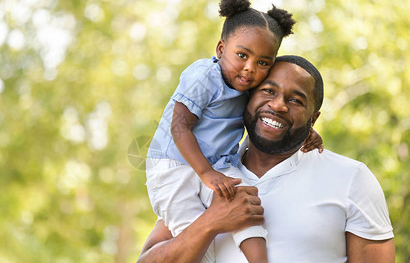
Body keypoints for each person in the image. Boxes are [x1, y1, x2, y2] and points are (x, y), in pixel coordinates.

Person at [138, 55, 395, 263]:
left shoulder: (351, 179)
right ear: (247, 99)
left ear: (313, 119)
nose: (279, 105)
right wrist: (210, 223)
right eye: (268, 90)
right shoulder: (205, 173)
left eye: (295, 100)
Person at [146, 0, 323, 263]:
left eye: (263, 62)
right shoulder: (203, 76)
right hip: (175, 166)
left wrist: (306, 131)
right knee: (193, 230)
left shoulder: (249, 89)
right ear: (221, 48)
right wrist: (206, 174)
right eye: (242, 55)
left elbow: (273, 115)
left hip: (216, 165)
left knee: (245, 207)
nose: (250, 67)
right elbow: (178, 127)